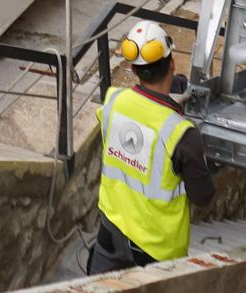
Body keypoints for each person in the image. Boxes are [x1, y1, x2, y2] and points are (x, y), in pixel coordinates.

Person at [86, 21, 214, 274]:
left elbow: (142, 120)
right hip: (156, 253)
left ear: (134, 69)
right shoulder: (182, 134)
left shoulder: (113, 102)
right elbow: (203, 197)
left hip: (111, 236)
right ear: (173, 63)